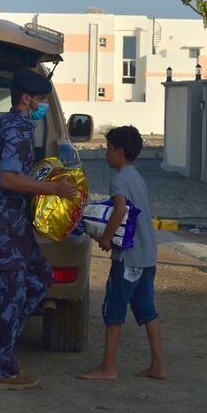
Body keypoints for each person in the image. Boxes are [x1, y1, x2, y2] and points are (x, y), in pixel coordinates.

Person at [0, 67, 77, 391]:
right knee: (12, 290)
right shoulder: (19, 128)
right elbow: (9, 179)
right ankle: (2, 371)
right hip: (4, 217)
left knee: (40, 276)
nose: (42, 104)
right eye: (39, 99)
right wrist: (55, 189)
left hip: (9, 217)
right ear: (26, 99)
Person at [78, 126, 167, 381]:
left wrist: (105, 238)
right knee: (147, 310)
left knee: (114, 309)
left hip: (128, 258)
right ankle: (158, 365)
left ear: (120, 151)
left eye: (109, 149)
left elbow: (120, 210)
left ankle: (108, 367)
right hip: (147, 255)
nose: (106, 154)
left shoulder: (119, 180)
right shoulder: (137, 177)